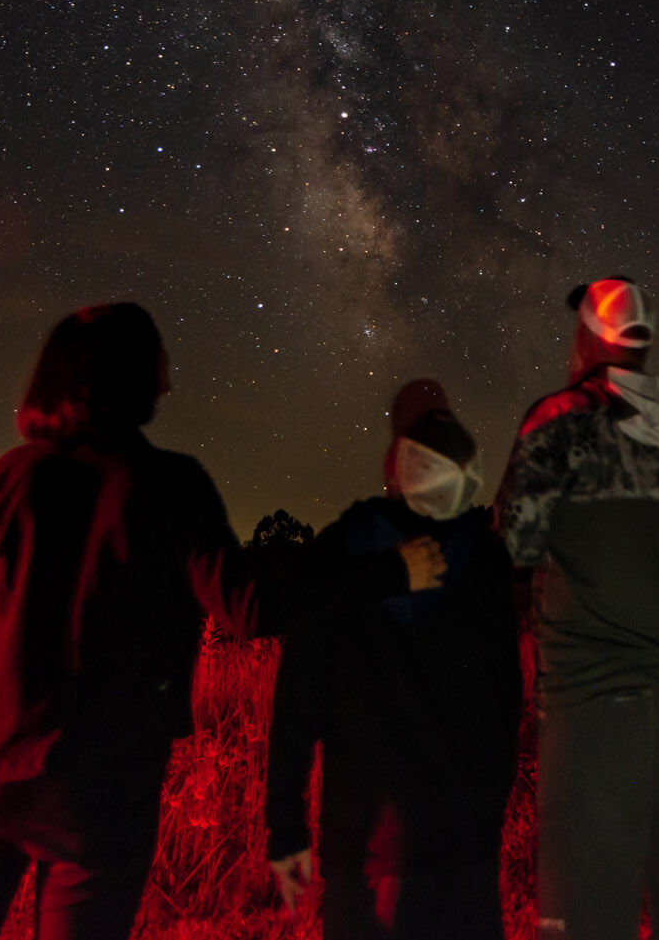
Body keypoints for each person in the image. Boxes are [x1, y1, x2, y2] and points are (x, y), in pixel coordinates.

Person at [0, 302, 446, 940]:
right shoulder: (171, 487)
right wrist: (387, 574)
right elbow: (249, 610)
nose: (168, 382)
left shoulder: (13, 477)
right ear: (140, 380)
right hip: (102, 786)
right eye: (159, 366)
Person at [494, 278, 659, 940]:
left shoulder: (560, 422)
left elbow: (514, 541)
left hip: (599, 719)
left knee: (586, 917)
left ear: (586, 338)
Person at [264, 379, 522, 940]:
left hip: (366, 834)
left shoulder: (344, 551)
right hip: (465, 835)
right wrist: (491, 804)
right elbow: (508, 698)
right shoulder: (484, 559)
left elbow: (298, 696)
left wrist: (285, 825)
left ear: (394, 462)